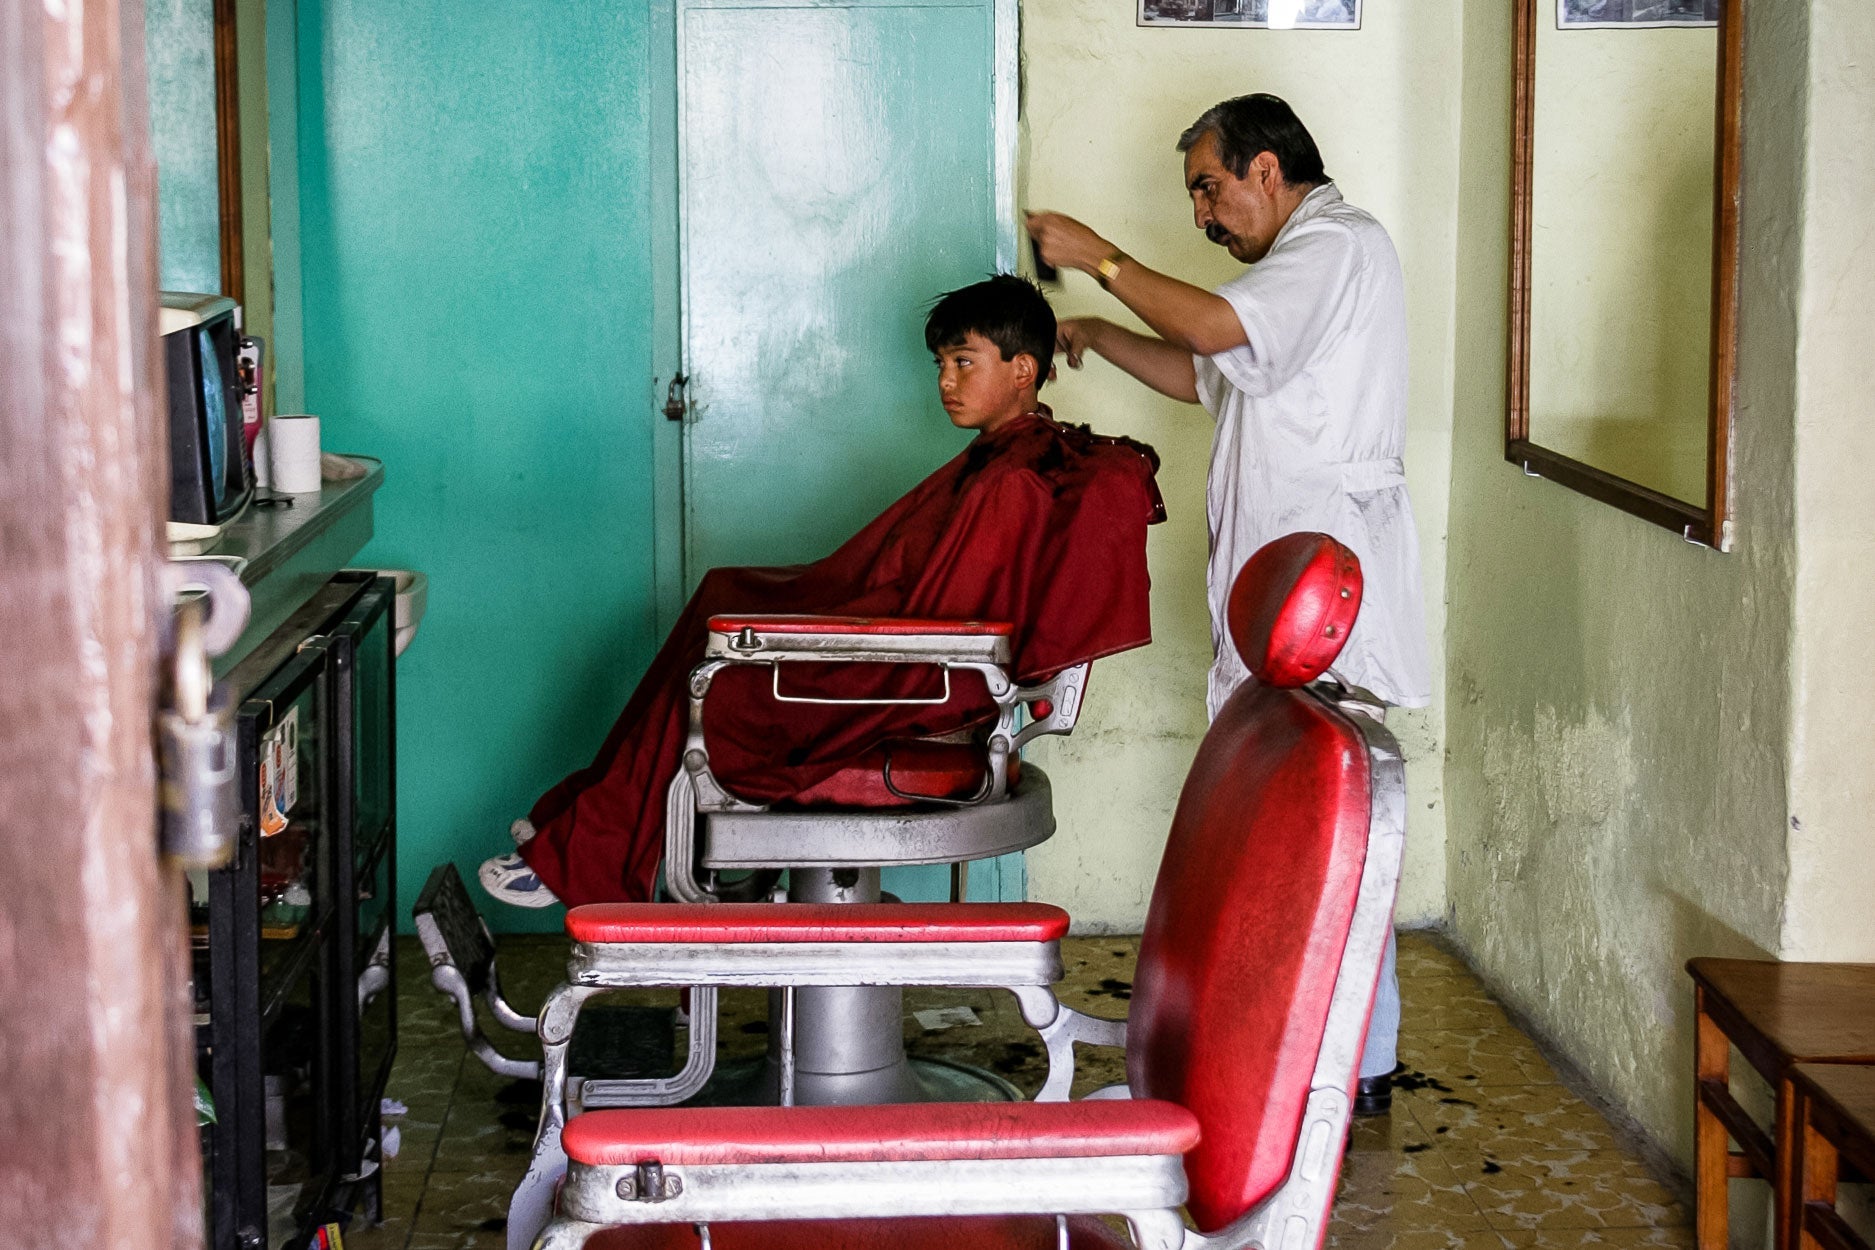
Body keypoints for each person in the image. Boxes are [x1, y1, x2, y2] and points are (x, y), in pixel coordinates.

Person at [480, 275, 1165, 909]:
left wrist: (807, 634)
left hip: (921, 686)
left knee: (716, 683)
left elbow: (951, 622)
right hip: (918, 660)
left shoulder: (1012, 480)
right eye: (939, 366)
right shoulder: (1008, 455)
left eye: (963, 361)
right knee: (724, 600)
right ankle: (580, 827)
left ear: (1022, 369)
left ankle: (581, 854)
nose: (945, 382)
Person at [1027, 93, 1431, 1115]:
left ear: (1264, 168)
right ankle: (1316, 1048)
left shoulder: (1333, 247)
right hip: (1281, 591)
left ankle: (1352, 1060)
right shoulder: (1297, 279)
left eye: (1209, 187)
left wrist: (1101, 255)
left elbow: (1211, 324)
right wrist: (1098, 332)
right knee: (1292, 829)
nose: (1205, 215)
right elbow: (1205, 368)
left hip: (1323, 589)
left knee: (1327, 827)